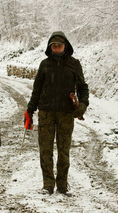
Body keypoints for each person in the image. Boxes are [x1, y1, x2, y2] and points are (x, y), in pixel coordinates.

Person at [25, 31, 89, 196]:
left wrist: (83, 104)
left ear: (65, 46)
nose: (57, 47)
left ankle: (62, 185)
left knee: (64, 150)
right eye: (54, 45)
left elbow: (83, 87)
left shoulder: (74, 64)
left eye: (59, 45)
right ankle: (47, 185)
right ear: (49, 47)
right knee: (45, 150)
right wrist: (30, 110)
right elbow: (37, 89)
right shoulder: (44, 65)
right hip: (46, 113)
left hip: (66, 114)